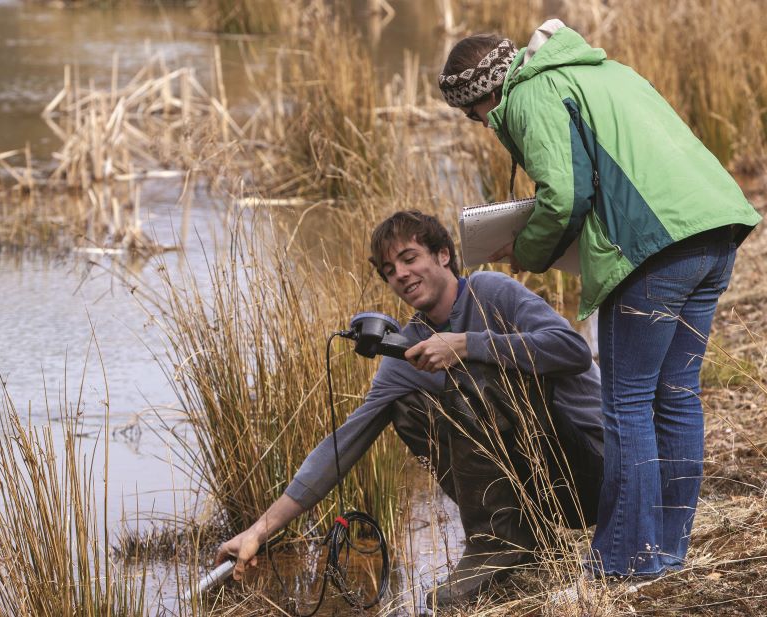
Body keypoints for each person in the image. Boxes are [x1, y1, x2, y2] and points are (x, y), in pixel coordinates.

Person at [438, 20, 761, 578]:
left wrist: (528, 249)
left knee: (627, 403)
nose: (484, 125)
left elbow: (565, 195)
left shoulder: (530, 94)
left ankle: (625, 559)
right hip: (714, 235)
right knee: (678, 394)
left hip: (654, 251)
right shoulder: (603, 71)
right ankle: (667, 548)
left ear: (486, 97)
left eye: (476, 116)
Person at [215, 210, 605, 607]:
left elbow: (572, 350)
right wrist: (258, 532)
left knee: (474, 377)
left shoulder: (491, 290)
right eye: (388, 269)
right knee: (405, 405)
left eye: (409, 257)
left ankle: (498, 546)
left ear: (443, 256)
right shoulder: (408, 348)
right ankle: (515, 537)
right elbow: (342, 446)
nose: (399, 274)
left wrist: (468, 344)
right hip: (541, 493)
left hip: (593, 470)